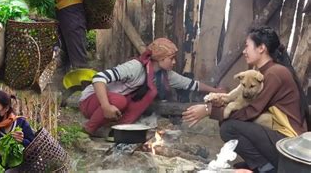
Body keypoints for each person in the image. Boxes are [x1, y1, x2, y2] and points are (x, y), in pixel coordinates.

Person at [183, 26, 309, 173]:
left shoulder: (274, 73)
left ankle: (267, 168)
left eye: (247, 46)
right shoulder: (262, 72)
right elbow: (242, 101)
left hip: (288, 143)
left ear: (261, 48)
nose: (244, 51)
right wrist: (218, 105)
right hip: (279, 135)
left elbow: (252, 111)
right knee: (229, 124)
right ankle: (263, 164)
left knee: (229, 128)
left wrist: (209, 111)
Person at [79, 37, 224, 136]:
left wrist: (217, 92)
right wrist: (105, 106)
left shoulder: (164, 75)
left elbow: (191, 84)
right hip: (91, 101)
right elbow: (98, 78)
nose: (174, 62)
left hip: (113, 105)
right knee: (120, 101)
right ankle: (89, 129)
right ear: (161, 58)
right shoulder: (135, 67)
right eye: (171, 58)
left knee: (150, 93)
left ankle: (116, 131)